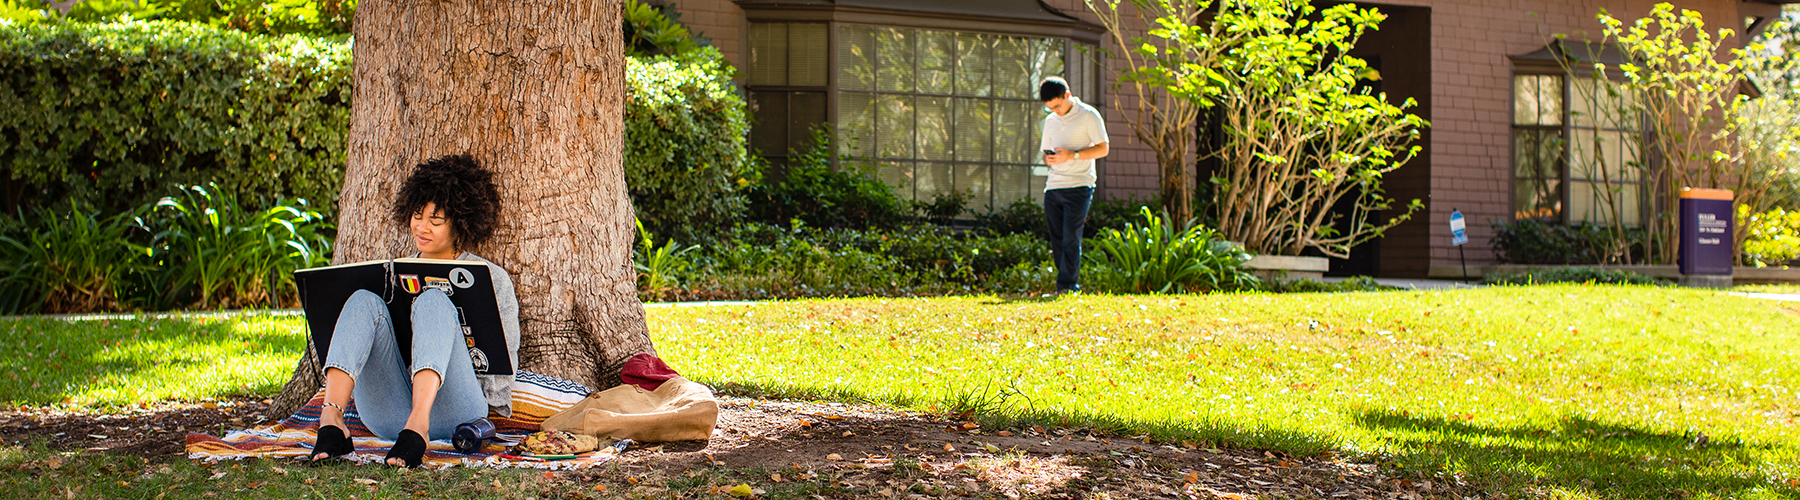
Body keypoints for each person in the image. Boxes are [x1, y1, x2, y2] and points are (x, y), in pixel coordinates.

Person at [308, 155, 520, 467]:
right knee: (362, 299)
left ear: (461, 222)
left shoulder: (491, 278)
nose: (422, 228)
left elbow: (500, 380)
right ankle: (331, 421)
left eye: (436, 221)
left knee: (433, 299)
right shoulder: (392, 273)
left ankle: (418, 427)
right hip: (389, 415)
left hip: (456, 409)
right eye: (417, 216)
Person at [1038, 76, 1109, 295]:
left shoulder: (1089, 116)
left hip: (1080, 185)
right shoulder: (1050, 121)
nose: (1055, 111)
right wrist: (1048, 159)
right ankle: (1063, 286)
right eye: (1050, 108)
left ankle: (1069, 286)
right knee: (1058, 239)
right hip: (1053, 187)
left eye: (1058, 106)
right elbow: (1045, 153)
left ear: (1067, 95)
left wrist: (1073, 156)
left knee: (1071, 237)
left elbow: (1103, 149)